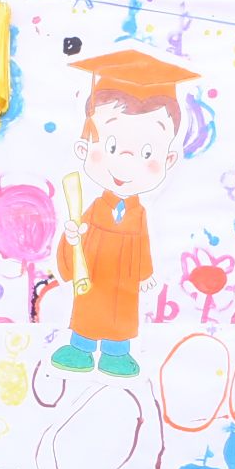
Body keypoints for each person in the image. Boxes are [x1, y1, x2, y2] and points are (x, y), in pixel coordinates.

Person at [50, 49, 193, 377]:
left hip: (124, 277)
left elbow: (142, 246)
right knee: (89, 307)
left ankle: (116, 352)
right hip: (96, 270)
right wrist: (73, 238)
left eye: (146, 153)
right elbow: (74, 241)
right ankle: (81, 346)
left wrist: (144, 275)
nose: (126, 164)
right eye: (111, 147)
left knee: (121, 312)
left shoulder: (140, 215)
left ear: (169, 160)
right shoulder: (92, 210)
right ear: (84, 148)